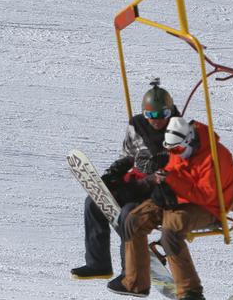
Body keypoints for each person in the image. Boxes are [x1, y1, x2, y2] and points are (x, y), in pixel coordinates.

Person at [107, 115, 233, 300]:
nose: (174, 153)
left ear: (189, 140)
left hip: (208, 207)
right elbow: (172, 172)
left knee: (171, 232)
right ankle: (135, 282)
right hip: (179, 199)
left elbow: (206, 194)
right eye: (171, 150)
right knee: (133, 219)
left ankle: (191, 295)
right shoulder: (179, 149)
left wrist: (173, 183)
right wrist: (159, 183)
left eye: (176, 149)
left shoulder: (215, 156)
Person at [70, 79, 180, 280]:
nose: (156, 120)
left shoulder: (178, 131)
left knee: (128, 214)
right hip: (136, 183)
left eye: (162, 114)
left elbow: (178, 169)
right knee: (93, 203)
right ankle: (98, 264)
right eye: (151, 115)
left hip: (159, 193)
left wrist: (154, 179)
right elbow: (129, 154)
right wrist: (114, 174)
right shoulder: (137, 126)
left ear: (170, 112)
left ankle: (130, 272)